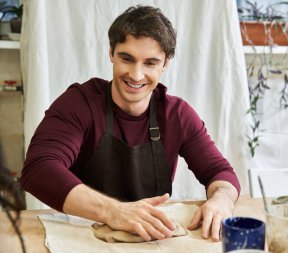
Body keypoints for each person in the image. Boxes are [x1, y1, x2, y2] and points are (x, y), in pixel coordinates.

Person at [21, 5, 240, 242]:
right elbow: (39, 169)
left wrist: (221, 200)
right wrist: (115, 211)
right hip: (84, 238)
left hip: (152, 239)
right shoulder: (79, 104)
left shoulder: (177, 115)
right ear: (111, 54)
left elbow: (220, 172)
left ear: (165, 64)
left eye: (150, 63)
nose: (136, 75)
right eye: (127, 58)